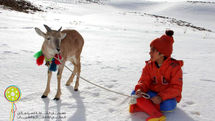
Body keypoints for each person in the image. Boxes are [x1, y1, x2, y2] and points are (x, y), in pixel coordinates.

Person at [129, 30, 183, 121]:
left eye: (153, 50)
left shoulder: (175, 68)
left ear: (162, 54)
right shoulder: (149, 65)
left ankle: (143, 107)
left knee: (169, 106)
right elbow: (144, 80)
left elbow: (176, 88)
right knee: (134, 93)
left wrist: (161, 97)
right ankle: (155, 113)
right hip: (151, 93)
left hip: (166, 97)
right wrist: (140, 88)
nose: (149, 53)